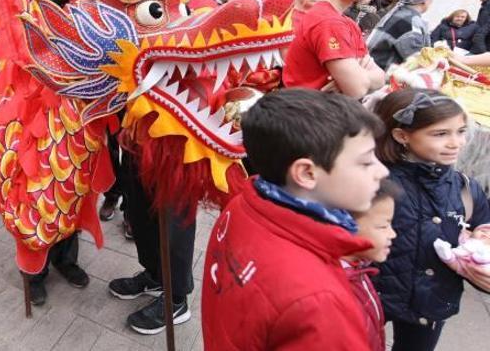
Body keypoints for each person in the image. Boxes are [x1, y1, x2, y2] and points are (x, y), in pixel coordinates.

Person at [201, 89, 388, 350]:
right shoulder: (319, 302)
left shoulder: (246, 203)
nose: (383, 171)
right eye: (366, 162)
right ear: (307, 173)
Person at [111, 0, 198, 335]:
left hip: (176, 138)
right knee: (141, 211)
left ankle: (177, 295)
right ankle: (153, 274)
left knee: (173, 216)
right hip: (134, 133)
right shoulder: (138, 4)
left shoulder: (199, 7)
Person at [372, 89, 490, 351]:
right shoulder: (374, 183)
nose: (456, 143)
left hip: (432, 299)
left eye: (460, 131)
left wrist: (480, 247)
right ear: (402, 135)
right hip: (374, 295)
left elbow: (483, 223)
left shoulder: (464, 187)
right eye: (440, 134)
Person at [25, 0, 90, 307]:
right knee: (37, 200)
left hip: (77, 129)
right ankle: (34, 273)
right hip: (37, 130)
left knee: (71, 194)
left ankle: (66, 259)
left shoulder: (87, 29)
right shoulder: (30, 25)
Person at [283, 0, 386, 98]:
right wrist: (359, 76)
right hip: (314, 115)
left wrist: (359, 78)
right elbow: (357, 89)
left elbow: (380, 77)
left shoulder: (346, 22)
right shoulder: (328, 21)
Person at [343, 178, 402, 351]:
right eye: (383, 226)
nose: (393, 234)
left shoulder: (357, 269)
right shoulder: (335, 289)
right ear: (343, 225)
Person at [367, 0, 434, 70]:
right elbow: (417, 60)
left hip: (372, 69)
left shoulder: (398, 13)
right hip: (383, 75)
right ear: (424, 1)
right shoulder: (411, 21)